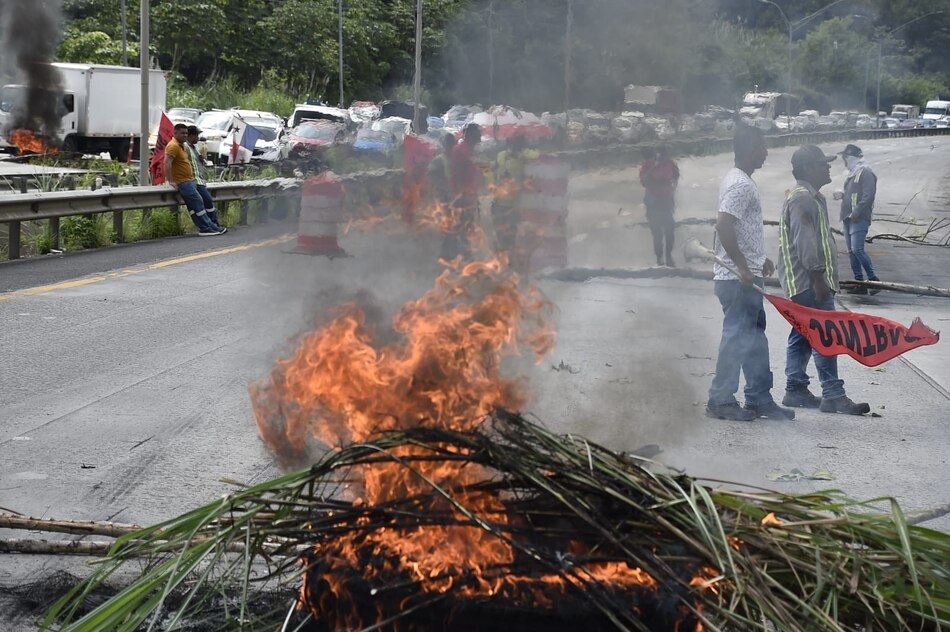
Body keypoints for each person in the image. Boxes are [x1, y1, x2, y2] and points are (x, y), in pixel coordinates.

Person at [706, 125, 794, 422]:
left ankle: (759, 398)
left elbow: (738, 228)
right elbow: (723, 224)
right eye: (762, 147)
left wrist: (758, 260)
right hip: (736, 279)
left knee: (754, 338)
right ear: (747, 149)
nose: (766, 152)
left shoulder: (740, 180)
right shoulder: (740, 184)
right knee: (738, 337)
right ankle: (720, 400)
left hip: (746, 275)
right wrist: (743, 266)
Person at [777, 146, 871, 416]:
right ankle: (833, 394)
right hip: (808, 282)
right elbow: (805, 241)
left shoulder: (812, 197)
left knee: (803, 334)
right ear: (808, 168)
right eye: (823, 164)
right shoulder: (803, 199)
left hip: (805, 281)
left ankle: (795, 389)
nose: (828, 168)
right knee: (825, 335)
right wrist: (818, 277)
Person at [164, 123, 225, 236]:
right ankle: (205, 227)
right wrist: (170, 180)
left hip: (190, 180)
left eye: (186, 133)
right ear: (175, 133)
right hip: (183, 181)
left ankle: (210, 226)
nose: (184, 135)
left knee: (196, 204)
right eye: (182, 133)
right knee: (198, 202)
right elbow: (167, 162)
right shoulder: (173, 145)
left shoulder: (182, 146)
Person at [838, 144, 879, 295]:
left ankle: (874, 280)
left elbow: (868, 196)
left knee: (858, 249)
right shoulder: (853, 174)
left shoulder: (866, 172)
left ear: (851, 158)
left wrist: (857, 211)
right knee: (851, 251)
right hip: (848, 218)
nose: (844, 163)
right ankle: (859, 282)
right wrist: (842, 195)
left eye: (845, 159)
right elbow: (854, 194)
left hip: (858, 218)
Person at [491, 133, 539, 255]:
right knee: (500, 234)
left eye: (519, 140)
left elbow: (538, 157)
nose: (517, 143)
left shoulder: (524, 156)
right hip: (499, 203)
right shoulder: (500, 156)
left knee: (511, 233)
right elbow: (491, 171)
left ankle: (509, 258)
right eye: (515, 140)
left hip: (513, 204)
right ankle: (501, 257)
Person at [442, 123, 482, 260]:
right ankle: (457, 257)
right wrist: (461, 196)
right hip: (461, 196)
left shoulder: (468, 149)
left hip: (468, 196)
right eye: (478, 134)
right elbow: (457, 174)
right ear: (470, 135)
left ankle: (464, 256)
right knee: (461, 227)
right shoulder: (461, 150)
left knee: (466, 227)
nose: (480, 138)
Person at [639, 144, 679, 266]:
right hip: (653, 202)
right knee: (657, 233)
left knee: (670, 230)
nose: (664, 158)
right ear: (657, 155)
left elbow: (676, 176)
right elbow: (644, 182)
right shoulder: (648, 165)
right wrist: (653, 168)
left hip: (666, 201)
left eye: (666, 155)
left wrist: (672, 187)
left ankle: (668, 257)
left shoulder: (671, 164)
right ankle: (659, 258)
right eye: (662, 155)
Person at [186, 125, 224, 230]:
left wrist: (202, 159)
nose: (198, 138)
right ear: (191, 135)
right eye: (197, 135)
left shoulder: (193, 147)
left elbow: (196, 162)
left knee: (206, 202)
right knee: (206, 201)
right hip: (194, 180)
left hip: (199, 180)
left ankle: (212, 224)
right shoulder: (185, 147)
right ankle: (211, 225)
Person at [426, 132, 456, 208]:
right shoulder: (438, 160)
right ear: (444, 145)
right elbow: (430, 176)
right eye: (449, 143)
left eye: (452, 143)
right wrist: (442, 187)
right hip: (443, 198)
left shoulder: (457, 159)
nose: (450, 146)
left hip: (456, 196)